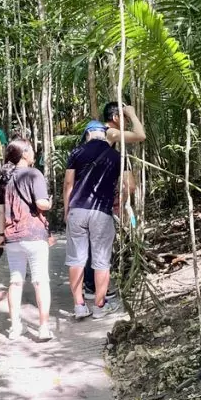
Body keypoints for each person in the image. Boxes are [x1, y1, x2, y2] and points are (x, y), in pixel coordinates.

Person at [64, 120, 130, 319]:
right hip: (101, 212)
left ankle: (79, 306)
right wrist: (119, 202)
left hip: (77, 210)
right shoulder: (117, 156)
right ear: (105, 134)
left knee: (76, 259)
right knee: (101, 261)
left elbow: (68, 183)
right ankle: (99, 306)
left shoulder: (76, 153)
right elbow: (130, 185)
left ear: (87, 134)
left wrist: (67, 211)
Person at [81, 102, 146, 300]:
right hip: (95, 195)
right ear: (116, 117)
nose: (126, 121)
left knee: (94, 241)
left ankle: (91, 285)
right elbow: (141, 135)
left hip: (93, 192)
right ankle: (93, 287)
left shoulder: (104, 137)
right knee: (98, 241)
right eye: (124, 117)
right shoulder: (109, 133)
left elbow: (129, 183)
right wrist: (133, 114)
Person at [0, 139, 54, 341]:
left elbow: (2, 210)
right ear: (24, 154)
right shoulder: (34, 174)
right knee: (40, 281)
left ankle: (14, 327)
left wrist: (2, 234)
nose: (33, 152)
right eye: (30, 149)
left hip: (13, 237)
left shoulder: (4, 178)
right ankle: (44, 327)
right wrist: (49, 202)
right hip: (34, 234)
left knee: (15, 281)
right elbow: (41, 203)